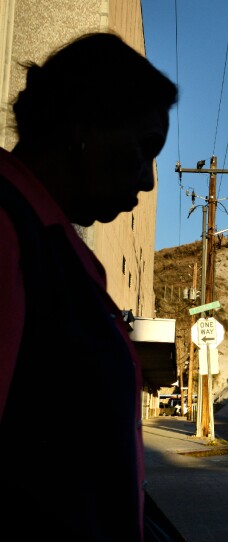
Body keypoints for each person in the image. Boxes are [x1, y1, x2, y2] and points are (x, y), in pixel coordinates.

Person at [0, 33, 178, 540]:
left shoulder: (53, 243)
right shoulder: (9, 231)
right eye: (144, 150)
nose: (146, 181)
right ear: (83, 127)